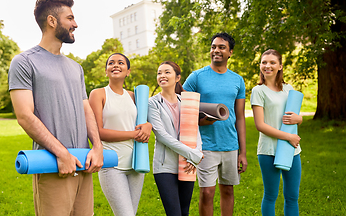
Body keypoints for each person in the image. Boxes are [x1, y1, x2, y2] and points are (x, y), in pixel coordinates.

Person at [8, 0, 104, 216]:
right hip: (53, 164)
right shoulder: (24, 62)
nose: (75, 24)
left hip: (82, 163)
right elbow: (24, 115)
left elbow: (85, 108)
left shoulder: (75, 67)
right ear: (52, 21)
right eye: (70, 18)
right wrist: (61, 153)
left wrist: (97, 146)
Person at [182, 32, 248, 216]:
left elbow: (240, 117)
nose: (216, 50)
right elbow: (182, 108)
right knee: (207, 191)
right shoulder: (196, 77)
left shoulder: (238, 80)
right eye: (213, 47)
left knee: (228, 190)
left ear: (230, 52)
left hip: (230, 145)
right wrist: (201, 122)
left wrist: (242, 152)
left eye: (221, 47)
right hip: (206, 145)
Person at [88, 53, 152, 216]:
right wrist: (133, 134)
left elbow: (145, 121)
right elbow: (99, 132)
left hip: (136, 163)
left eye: (121, 63)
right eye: (111, 63)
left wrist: (148, 126)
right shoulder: (99, 94)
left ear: (128, 71)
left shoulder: (134, 96)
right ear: (106, 70)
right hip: (112, 164)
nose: (115, 65)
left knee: (131, 213)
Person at [147, 61, 204, 216]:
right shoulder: (152, 103)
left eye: (167, 72)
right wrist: (192, 154)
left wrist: (196, 154)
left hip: (188, 163)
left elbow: (195, 129)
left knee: (184, 212)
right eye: (159, 73)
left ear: (178, 77)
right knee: (174, 214)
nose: (162, 76)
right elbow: (161, 135)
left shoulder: (186, 101)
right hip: (165, 166)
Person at [250, 49, 302, 216]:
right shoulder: (258, 91)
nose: (268, 65)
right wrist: (289, 137)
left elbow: (295, 117)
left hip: (291, 150)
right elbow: (260, 125)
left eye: (272, 62)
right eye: (264, 62)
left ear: (280, 66)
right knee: (271, 195)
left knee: (292, 197)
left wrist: (299, 119)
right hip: (268, 151)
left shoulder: (289, 89)